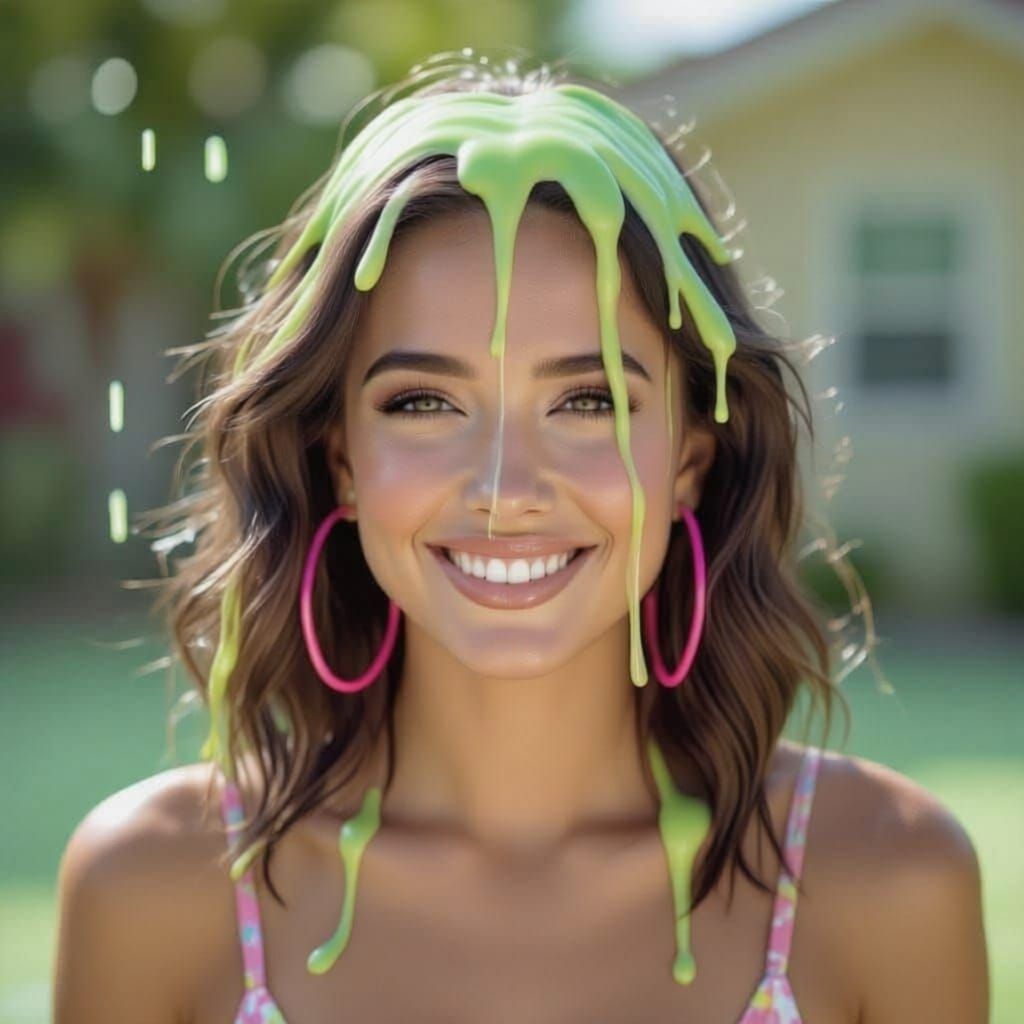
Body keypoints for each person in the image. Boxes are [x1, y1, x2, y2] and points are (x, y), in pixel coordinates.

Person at [52, 53, 988, 1023]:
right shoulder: (154, 889)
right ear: (339, 459)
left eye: (588, 401)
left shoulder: (886, 877)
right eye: (424, 402)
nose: (506, 492)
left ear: (690, 460)